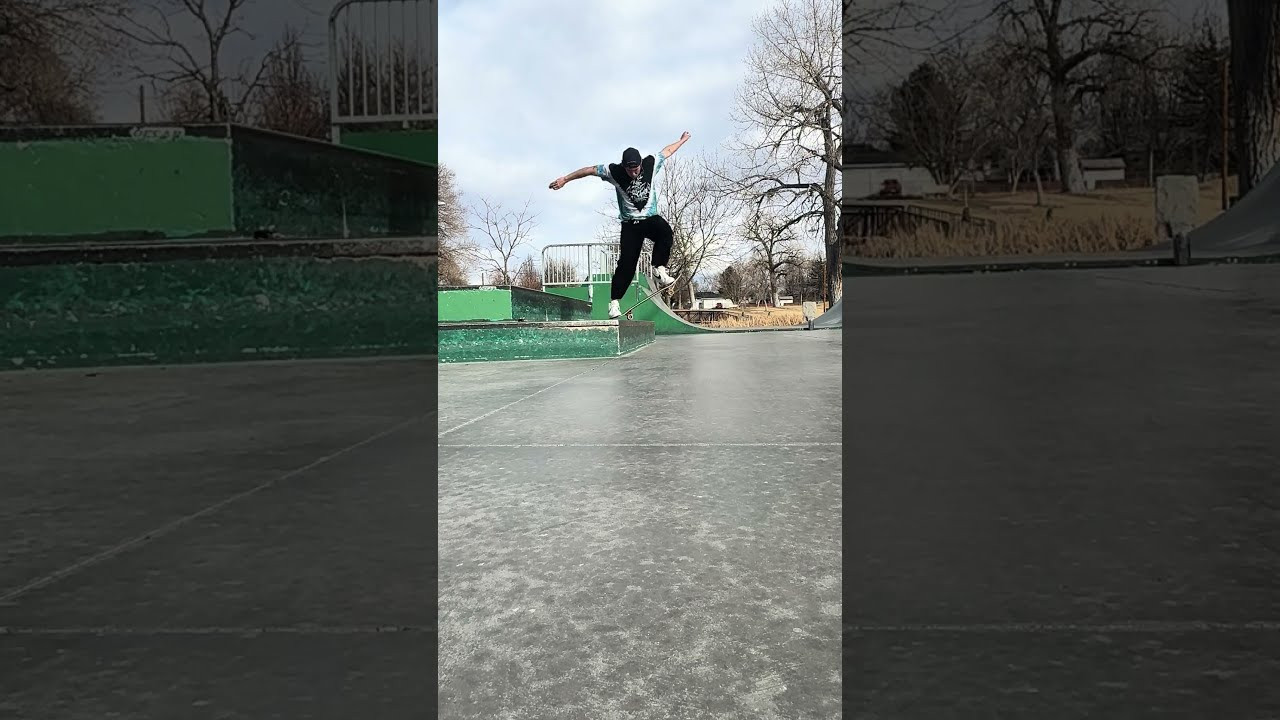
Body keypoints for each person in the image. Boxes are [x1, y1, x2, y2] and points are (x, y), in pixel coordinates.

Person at [548, 132, 690, 318]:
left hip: (650, 219)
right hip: (630, 226)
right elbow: (589, 170)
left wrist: (682, 140)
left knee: (666, 232)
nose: (633, 173)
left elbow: (668, 151)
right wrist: (565, 179)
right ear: (624, 166)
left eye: (636, 169)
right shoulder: (613, 171)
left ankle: (659, 269)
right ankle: (614, 303)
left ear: (640, 164)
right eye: (629, 170)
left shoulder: (650, 163)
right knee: (626, 266)